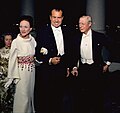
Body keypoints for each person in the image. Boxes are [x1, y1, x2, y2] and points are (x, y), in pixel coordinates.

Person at [70, 15, 112, 113]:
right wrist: (74, 67)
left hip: (96, 69)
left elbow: (113, 48)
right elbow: (73, 54)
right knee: (81, 99)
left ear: (90, 24)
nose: (80, 26)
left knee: (97, 98)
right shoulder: (76, 37)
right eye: (79, 23)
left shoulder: (99, 37)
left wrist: (108, 63)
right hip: (83, 70)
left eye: (83, 24)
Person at [35, 7, 73, 113]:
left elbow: (69, 51)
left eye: (59, 17)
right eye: (54, 17)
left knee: (59, 98)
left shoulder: (67, 31)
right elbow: (37, 52)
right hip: (47, 71)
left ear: (62, 18)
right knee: (47, 99)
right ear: (50, 18)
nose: (56, 20)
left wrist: (68, 67)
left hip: (62, 69)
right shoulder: (42, 31)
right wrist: (50, 60)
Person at [4, 15, 37, 113]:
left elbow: (35, 56)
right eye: (21, 26)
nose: (23, 29)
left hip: (31, 71)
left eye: (26, 27)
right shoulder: (15, 41)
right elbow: (12, 60)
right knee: (23, 97)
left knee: (30, 96)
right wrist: (12, 77)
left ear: (30, 28)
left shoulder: (33, 40)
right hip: (21, 74)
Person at [0, 33, 14, 113]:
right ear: (4, 40)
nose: (9, 42)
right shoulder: (0, 51)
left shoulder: (15, 51)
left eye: (10, 39)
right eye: (7, 39)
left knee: (12, 99)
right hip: (2, 78)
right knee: (2, 98)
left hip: (12, 77)